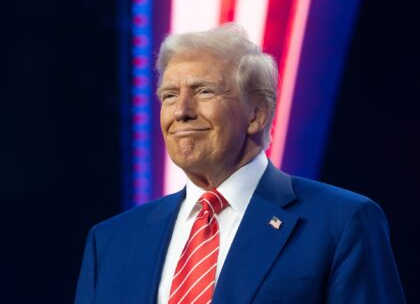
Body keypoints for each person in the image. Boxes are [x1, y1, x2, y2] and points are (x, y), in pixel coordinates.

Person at [74, 23, 405, 304]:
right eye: (169, 95)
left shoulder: (342, 222)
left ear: (256, 114)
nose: (181, 111)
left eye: (204, 92)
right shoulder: (111, 242)